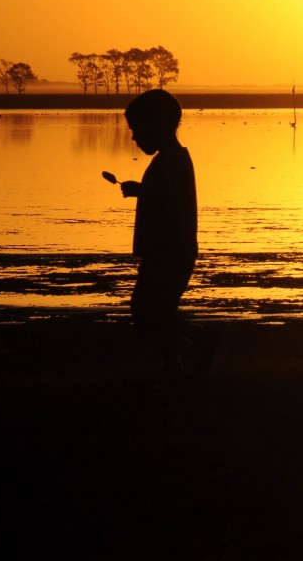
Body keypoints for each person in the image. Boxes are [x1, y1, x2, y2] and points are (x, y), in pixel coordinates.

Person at [121, 89, 213, 385]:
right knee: (154, 309)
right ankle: (174, 363)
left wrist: (141, 191)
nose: (135, 138)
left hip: (171, 250)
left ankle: (198, 340)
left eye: (137, 129)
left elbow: (172, 198)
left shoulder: (173, 161)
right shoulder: (169, 159)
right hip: (165, 249)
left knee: (150, 309)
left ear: (157, 125)